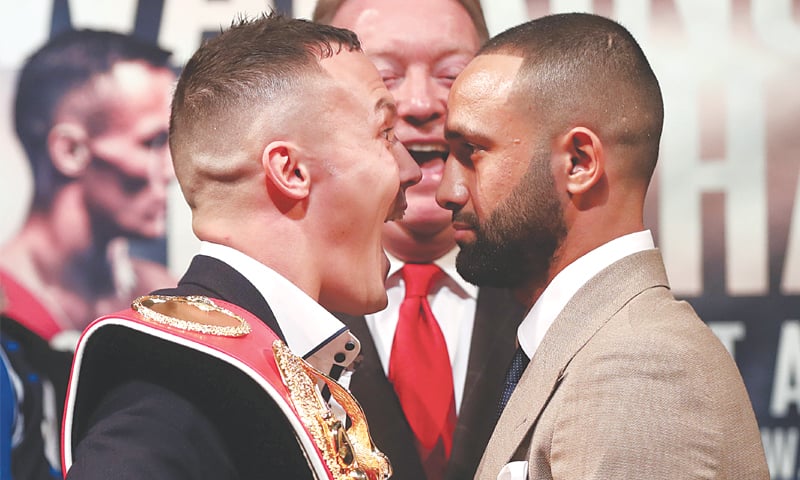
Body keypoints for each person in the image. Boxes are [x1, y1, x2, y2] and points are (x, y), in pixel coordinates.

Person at [61, 12, 421, 479]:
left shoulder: (262, 366)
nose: (410, 169)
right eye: (385, 133)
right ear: (290, 171)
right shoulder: (177, 380)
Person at [436, 13, 769, 480]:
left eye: (472, 151)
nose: (446, 190)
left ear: (578, 162)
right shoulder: (587, 347)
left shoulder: (638, 368)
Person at [313, 1, 527, 479]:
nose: (420, 103)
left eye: (452, 74)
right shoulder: (277, 315)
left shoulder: (554, 301)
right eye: (382, 78)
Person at [0, 29, 175, 480]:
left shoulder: (168, 297)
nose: (172, 172)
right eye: (153, 142)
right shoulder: (7, 311)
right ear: (70, 150)